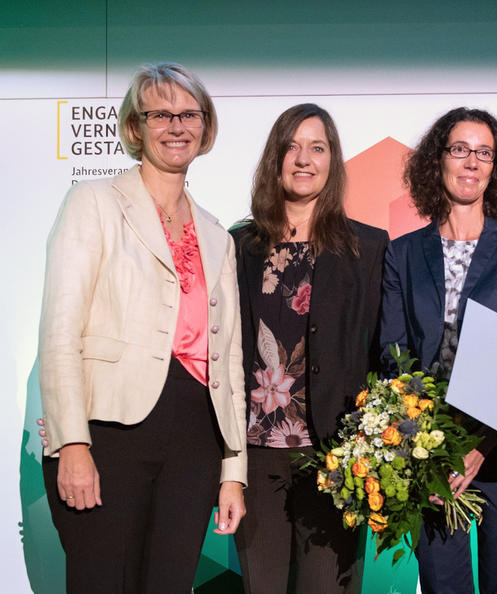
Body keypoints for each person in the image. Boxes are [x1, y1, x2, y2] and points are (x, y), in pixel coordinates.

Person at [37, 62, 247, 593]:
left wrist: (233, 469)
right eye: (160, 114)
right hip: (109, 432)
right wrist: (72, 444)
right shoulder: (95, 203)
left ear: (205, 126)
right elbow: (60, 333)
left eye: (188, 114)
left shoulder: (218, 235)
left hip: (196, 435)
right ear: (136, 126)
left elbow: (231, 359)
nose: (176, 126)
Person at [379, 107, 497, 594]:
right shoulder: (403, 253)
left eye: (484, 153)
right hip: (430, 455)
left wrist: (476, 445)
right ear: (438, 160)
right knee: (441, 586)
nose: (471, 162)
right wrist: (427, 445)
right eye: (460, 149)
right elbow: (394, 353)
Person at [231, 103, 388, 593]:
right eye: (291, 147)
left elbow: (384, 352)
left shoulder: (369, 247)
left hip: (337, 456)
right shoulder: (238, 246)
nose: (303, 159)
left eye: (316, 147)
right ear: (275, 159)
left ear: (332, 160)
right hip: (256, 457)